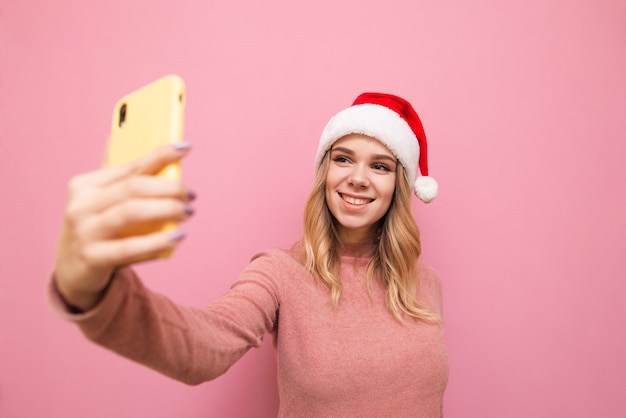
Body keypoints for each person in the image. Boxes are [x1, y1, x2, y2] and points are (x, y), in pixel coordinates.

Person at [48, 92, 449, 417]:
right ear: (324, 171)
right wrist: (93, 292)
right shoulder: (279, 273)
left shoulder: (426, 282)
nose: (357, 178)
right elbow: (202, 347)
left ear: (400, 183)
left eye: (379, 166)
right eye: (343, 158)